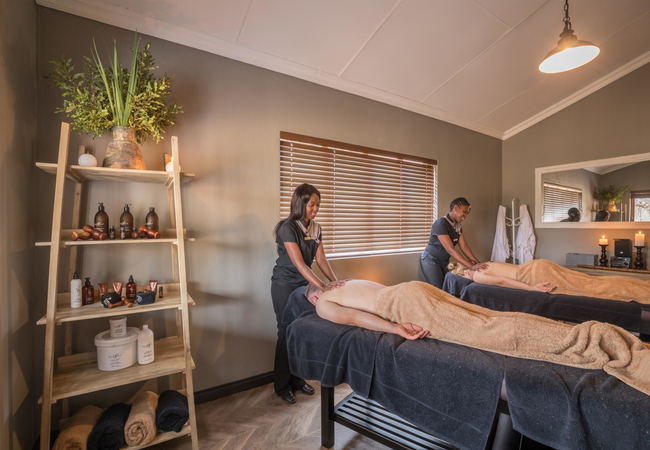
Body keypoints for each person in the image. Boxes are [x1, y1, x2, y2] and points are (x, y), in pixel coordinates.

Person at [307, 280, 650, 397]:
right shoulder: (345, 281)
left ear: (313, 297)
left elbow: (356, 319)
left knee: (484, 332)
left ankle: (587, 339)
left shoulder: (322, 302)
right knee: (489, 319)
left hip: (405, 304)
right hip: (414, 289)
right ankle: (584, 333)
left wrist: (397, 328)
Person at [271, 183, 344, 404]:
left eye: (317, 205)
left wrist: (335, 282)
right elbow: (299, 263)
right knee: (286, 332)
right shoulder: (287, 228)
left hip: (304, 285)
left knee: (301, 331)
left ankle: (297, 379)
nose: (315, 209)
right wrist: (322, 286)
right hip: (284, 285)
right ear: (300, 203)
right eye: (312, 204)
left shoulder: (316, 228)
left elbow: (320, 259)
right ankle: (282, 385)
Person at [448, 259, 650, 303]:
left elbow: (502, 281)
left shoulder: (478, 275)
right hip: (537, 265)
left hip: (534, 275)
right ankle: (639, 285)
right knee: (588, 281)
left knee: (589, 287)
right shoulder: (483, 264)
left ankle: (641, 291)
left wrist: (532, 288)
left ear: (463, 274)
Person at [420, 197, 488, 289]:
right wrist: (472, 266)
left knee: (448, 287)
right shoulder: (441, 224)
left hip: (444, 261)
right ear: (455, 208)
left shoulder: (458, 226)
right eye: (464, 212)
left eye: (467, 213)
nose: (465, 216)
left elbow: (464, 247)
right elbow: (450, 250)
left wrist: (478, 264)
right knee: (438, 289)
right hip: (431, 260)